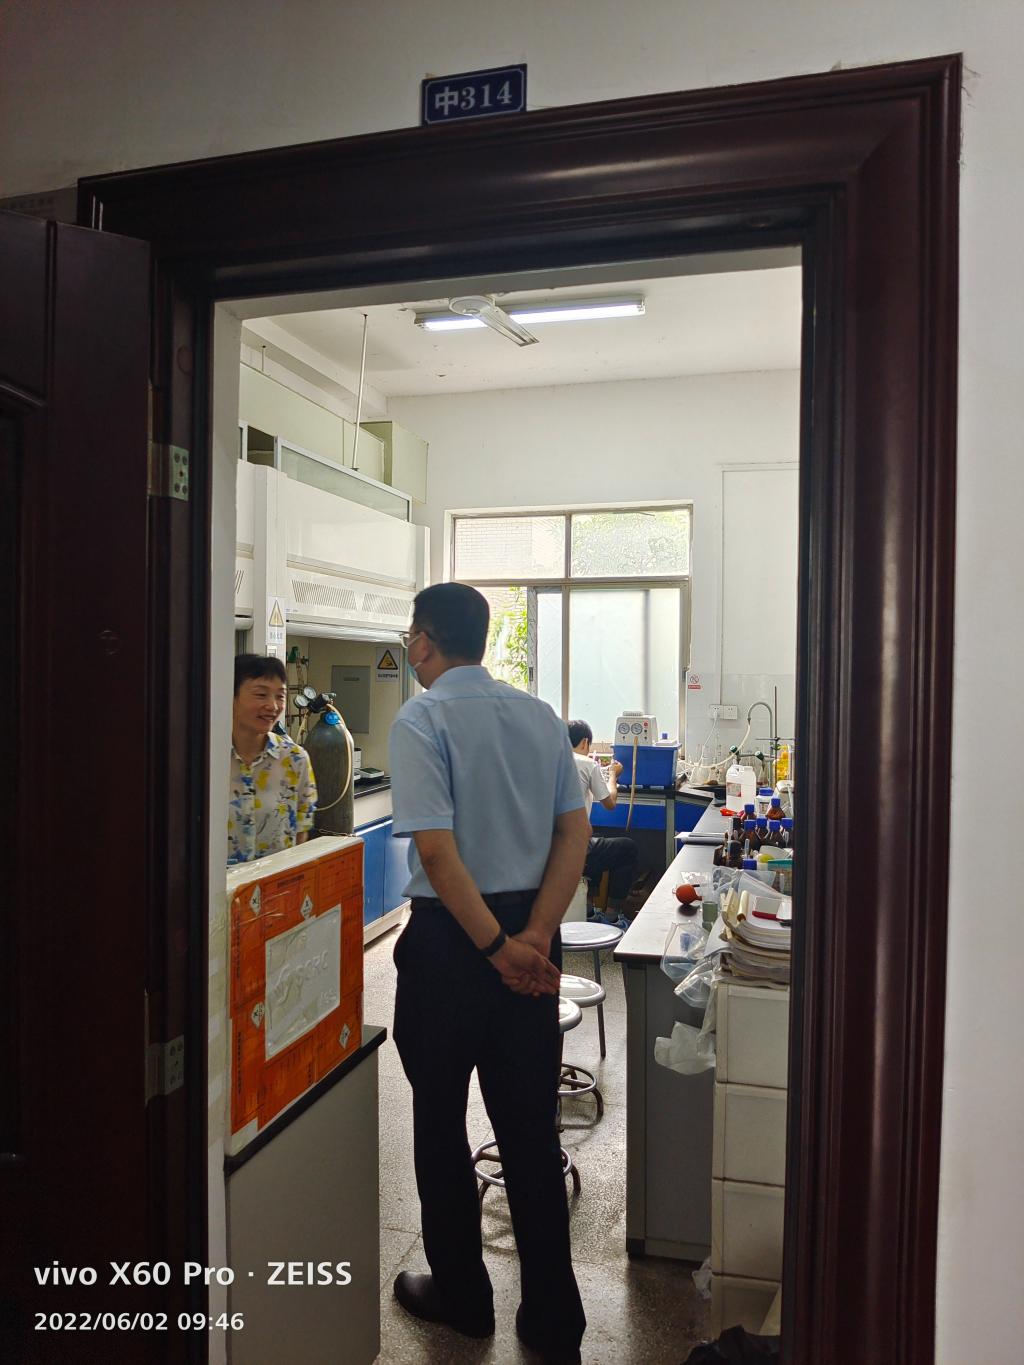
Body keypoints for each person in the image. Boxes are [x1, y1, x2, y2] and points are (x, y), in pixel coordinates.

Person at [389, 582, 590, 1365]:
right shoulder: (540, 717)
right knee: (530, 1132)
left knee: (440, 1124)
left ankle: (464, 1299)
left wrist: (496, 947)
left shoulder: (423, 718)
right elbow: (573, 833)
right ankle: (553, 1319)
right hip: (532, 937)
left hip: (452, 942)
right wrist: (533, 935)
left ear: (424, 640)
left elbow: (437, 854)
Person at [227, 653, 317, 865]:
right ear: (231, 697)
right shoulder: (205, 758)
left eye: (280, 696)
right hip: (218, 885)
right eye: (261, 695)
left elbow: (301, 832)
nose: (273, 706)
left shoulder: (295, 760)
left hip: (277, 883)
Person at [568, 719, 640, 911]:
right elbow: (610, 803)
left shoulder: (550, 761)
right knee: (627, 848)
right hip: (572, 848)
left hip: (547, 847)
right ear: (585, 742)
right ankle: (613, 915)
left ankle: (589, 909)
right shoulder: (587, 764)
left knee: (597, 839)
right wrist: (613, 775)